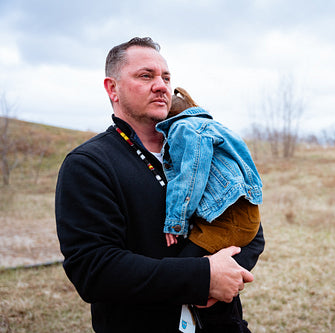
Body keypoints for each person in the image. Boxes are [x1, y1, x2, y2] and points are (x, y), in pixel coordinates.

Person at [55, 37, 265, 333]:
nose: (161, 85)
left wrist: (228, 273)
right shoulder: (89, 164)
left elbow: (249, 225)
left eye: (166, 77)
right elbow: (94, 270)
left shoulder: (198, 148)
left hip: (223, 324)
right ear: (112, 88)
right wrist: (203, 278)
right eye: (146, 75)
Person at [156, 87, 262, 257]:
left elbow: (190, 175)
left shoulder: (181, 127)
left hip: (228, 220)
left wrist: (175, 222)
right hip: (244, 214)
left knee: (185, 267)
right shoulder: (215, 126)